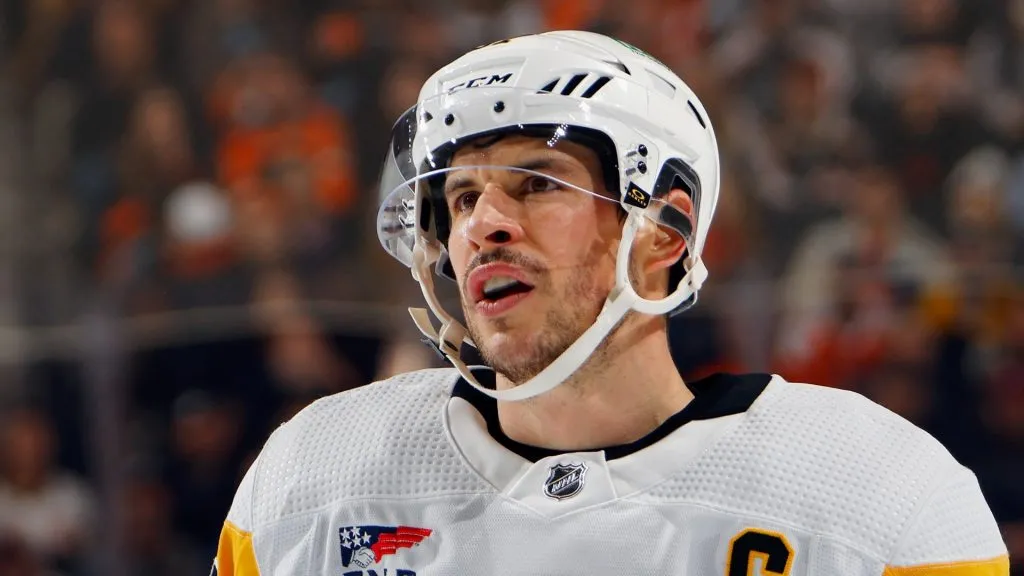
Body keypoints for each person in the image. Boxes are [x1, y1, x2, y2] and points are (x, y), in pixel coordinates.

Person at [214, 31, 1009, 575]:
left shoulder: (871, 497)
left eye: (535, 184)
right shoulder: (317, 481)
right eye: (459, 200)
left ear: (665, 232)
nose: (483, 224)